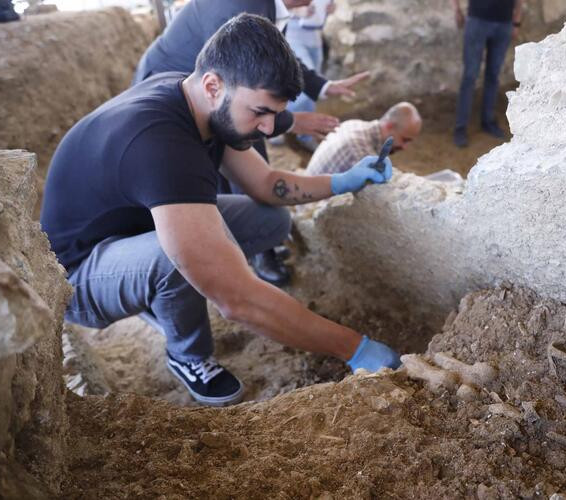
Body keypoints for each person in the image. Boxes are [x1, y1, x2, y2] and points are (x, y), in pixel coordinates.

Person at [40, 14, 400, 407]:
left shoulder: (200, 98)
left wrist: (343, 180)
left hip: (135, 227)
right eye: (260, 112)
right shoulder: (163, 147)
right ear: (213, 85)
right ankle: (187, 355)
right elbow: (237, 301)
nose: (268, 129)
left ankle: (159, 291)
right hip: (76, 276)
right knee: (173, 259)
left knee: (270, 220)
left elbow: (265, 185)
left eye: (274, 114)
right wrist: (355, 348)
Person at [133, 0, 369, 286]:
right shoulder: (242, 5)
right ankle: (250, 251)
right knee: (222, 156)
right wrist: (291, 121)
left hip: (221, 93)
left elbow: (274, 60)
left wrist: (322, 86)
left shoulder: (266, 7)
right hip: (173, 85)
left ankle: (243, 241)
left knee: (236, 156)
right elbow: (240, 88)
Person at [451, 0, 523, 148]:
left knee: (493, 75)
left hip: (504, 23)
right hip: (478, 20)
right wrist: (456, 9)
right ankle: (460, 127)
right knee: (470, 75)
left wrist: (516, 22)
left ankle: (488, 121)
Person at [307, 102, 422, 175]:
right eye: (404, 140)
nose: (405, 147)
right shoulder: (361, 153)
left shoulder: (354, 124)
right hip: (312, 209)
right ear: (389, 126)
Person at [284, 0, 335, 152]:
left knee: (312, 87)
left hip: (315, 37)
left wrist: (330, 9)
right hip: (293, 34)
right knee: (304, 87)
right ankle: (283, 124)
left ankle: (305, 132)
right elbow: (275, 6)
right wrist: (296, 12)